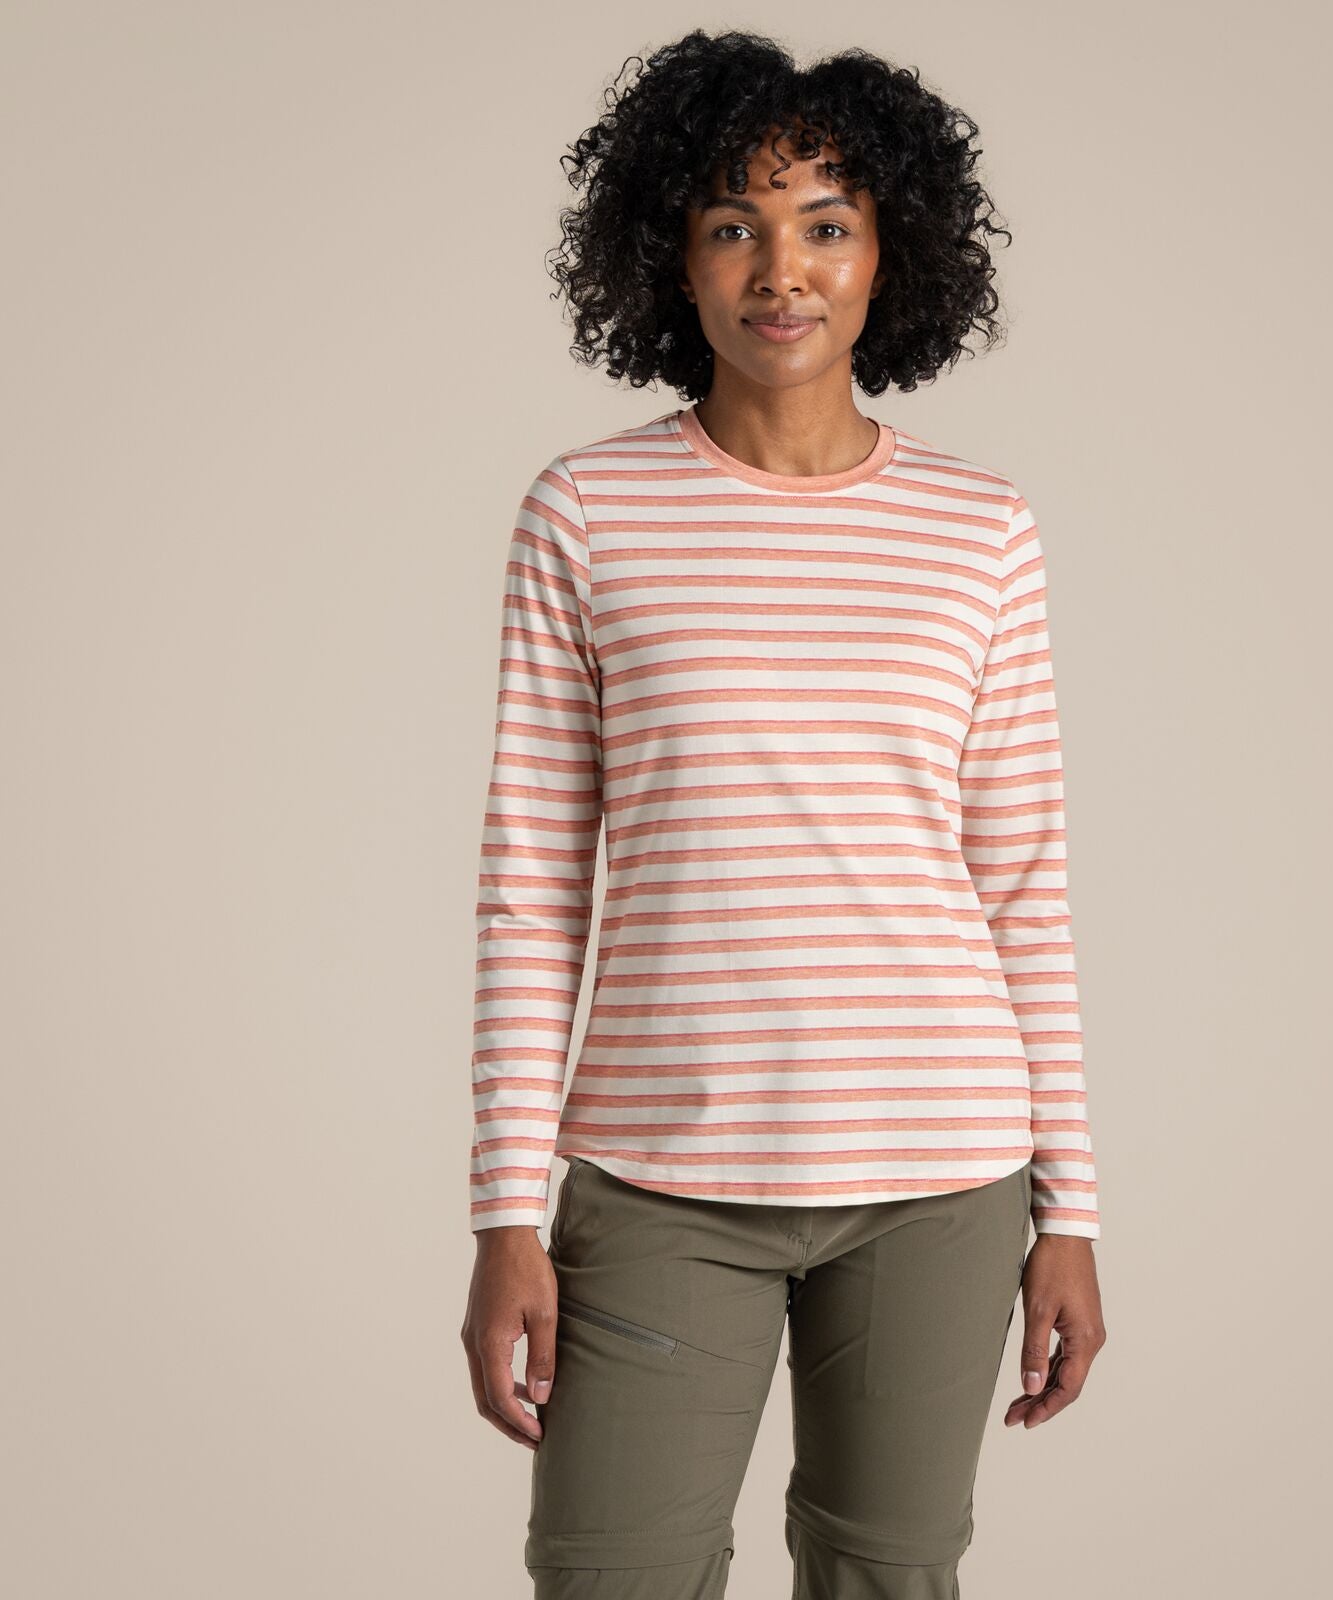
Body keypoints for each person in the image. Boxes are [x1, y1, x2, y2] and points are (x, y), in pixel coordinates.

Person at [460, 28, 1107, 1599]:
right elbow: (534, 890)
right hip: (661, 1173)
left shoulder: (979, 529)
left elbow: (1022, 882)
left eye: (826, 223)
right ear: (669, 256)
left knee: (891, 1576)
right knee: (612, 1572)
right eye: (732, 225)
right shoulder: (588, 512)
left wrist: (1070, 1212)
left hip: (944, 1173)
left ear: (892, 253)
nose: (782, 270)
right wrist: (503, 1215)